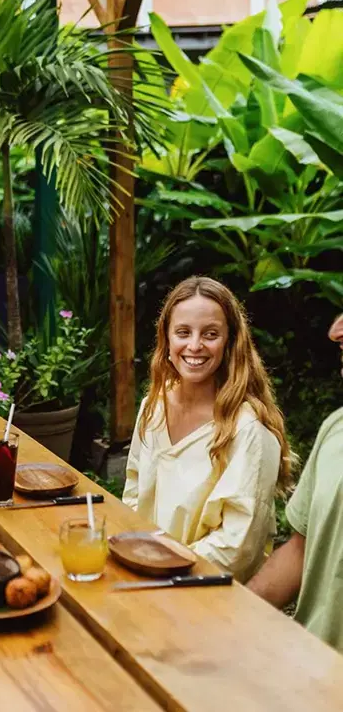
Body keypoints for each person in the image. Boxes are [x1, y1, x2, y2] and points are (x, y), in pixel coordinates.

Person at [122, 276, 291, 582]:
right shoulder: (153, 407)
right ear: (167, 339)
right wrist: (139, 558)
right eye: (183, 332)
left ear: (229, 341)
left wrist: (166, 570)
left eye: (210, 334)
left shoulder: (249, 430)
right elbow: (133, 494)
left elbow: (237, 547)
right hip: (144, 576)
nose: (195, 345)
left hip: (207, 591)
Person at [248, 313, 343, 652]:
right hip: (310, 669)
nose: (335, 332)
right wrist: (234, 616)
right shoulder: (336, 428)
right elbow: (301, 550)